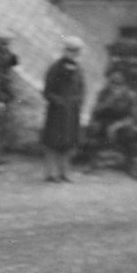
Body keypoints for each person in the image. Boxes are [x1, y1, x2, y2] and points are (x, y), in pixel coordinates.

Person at [83, 66, 137, 177]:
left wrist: (118, 125)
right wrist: (108, 102)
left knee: (132, 134)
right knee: (94, 130)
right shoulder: (104, 93)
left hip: (122, 123)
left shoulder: (131, 95)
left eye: (118, 84)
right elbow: (95, 111)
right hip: (105, 122)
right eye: (112, 82)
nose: (115, 87)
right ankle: (92, 162)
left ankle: (133, 165)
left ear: (124, 83)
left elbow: (135, 116)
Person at [41, 36, 86, 182]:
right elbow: (47, 91)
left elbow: (82, 89)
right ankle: (51, 173)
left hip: (72, 112)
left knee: (68, 143)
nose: (73, 54)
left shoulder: (79, 69)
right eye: (71, 50)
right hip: (57, 112)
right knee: (53, 143)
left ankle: (65, 172)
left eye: (76, 51)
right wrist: (59, 102)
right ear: (65, 50)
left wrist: (78, 102)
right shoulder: (55, 68)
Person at [0, 33, 20, 159]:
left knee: (2, 126)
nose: (6, 46)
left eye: (7, 44)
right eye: (5, 44)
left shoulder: (6, 54)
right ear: (0, 43)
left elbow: (15, 62)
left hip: (5, 94)